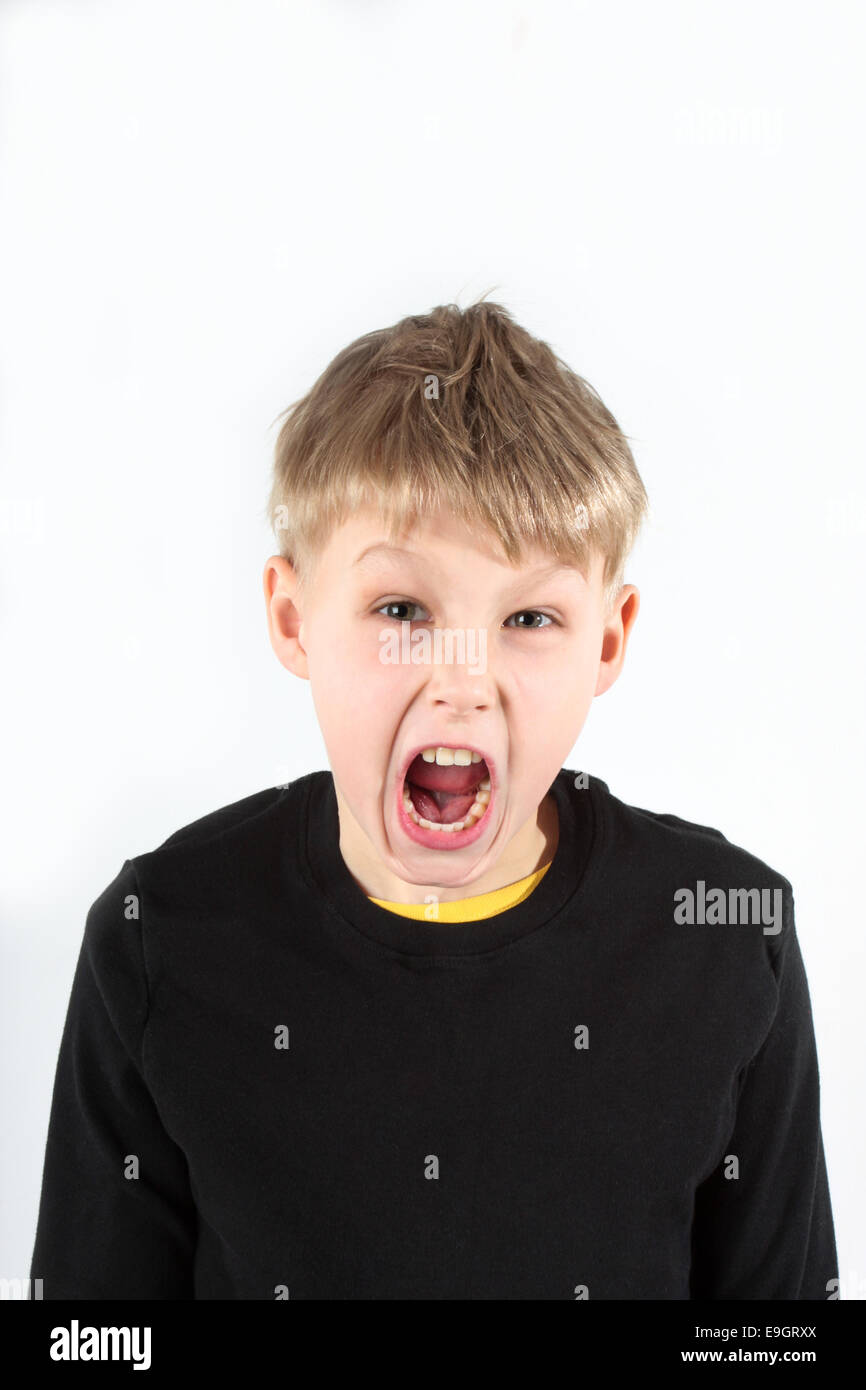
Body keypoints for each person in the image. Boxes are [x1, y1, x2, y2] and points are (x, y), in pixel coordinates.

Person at [30, 298, 837, 1299]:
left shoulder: (725, 933)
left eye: (529, 615)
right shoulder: (158, 937)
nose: (462, 676)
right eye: (401, 609)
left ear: (607, 641)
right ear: (292, 619)